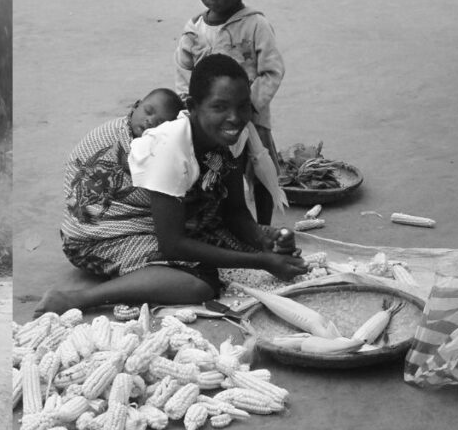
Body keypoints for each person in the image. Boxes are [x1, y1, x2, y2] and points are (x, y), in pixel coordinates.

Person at [38, 55, 305, 315]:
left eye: (242, 106)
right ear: (193, 106)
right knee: (200, 284)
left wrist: (262, 239)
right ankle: (78, 299)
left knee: (234, 250)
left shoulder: (234, 134)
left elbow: (234, 211)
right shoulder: (168, 147)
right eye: (220, 107)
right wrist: (261, 262)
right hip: (101, 233)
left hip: (159, 220)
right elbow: (173, 244)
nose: (234, 118)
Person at [175, 0, 285, 226]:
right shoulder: (195, 30)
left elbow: (273, 70)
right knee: (217, 171)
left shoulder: (255, 25)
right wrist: (189, 109)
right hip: (211, 120)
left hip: (252, 118)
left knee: (259, 169)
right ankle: (225, 223)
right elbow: (184, 71)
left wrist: (250, 105)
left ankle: (263, 226)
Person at [60, 88, 185, 276]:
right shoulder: (109, 135)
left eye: (160, 124)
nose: (150, 122)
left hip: (128, 229)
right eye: (148, 112)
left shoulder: (162, 148)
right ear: (135, 106)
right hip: (86, 240)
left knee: (192, 247)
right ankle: (85, 295)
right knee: (183, 263)